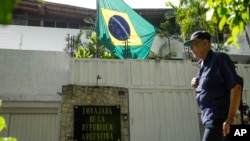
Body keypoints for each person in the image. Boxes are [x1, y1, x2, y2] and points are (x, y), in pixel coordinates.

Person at [184, 31, 242, 141]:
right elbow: (209, 84)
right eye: (190, 46)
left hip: (219, 119)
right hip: (209, 118)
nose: (191, 49)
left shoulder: (219, 59)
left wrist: (231, 118)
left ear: (206, 43)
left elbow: (236, 86)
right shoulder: (201, 65)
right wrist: (196, 81)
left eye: (194, 44)